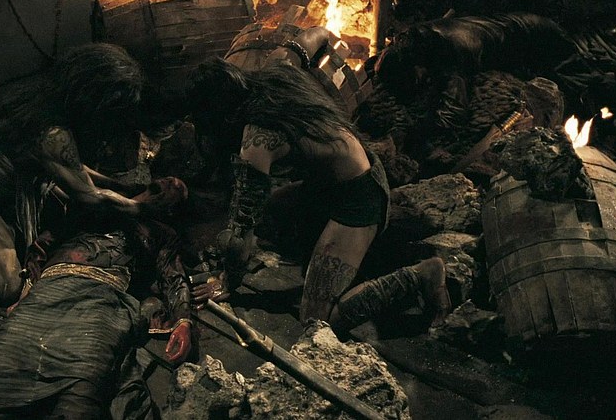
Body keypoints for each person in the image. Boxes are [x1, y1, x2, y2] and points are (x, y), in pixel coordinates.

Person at [185, 57, 451, 334]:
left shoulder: (256, 140)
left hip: (359, 197)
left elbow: (242, 231)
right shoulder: (272, 79)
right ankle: (326, 254)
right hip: (339, 182)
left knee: (317, 320)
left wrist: (228, 281)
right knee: (269, 209)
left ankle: (422, 275)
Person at [0, 43, 174, 306]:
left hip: (1, 184)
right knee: (5, 286)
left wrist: (120, 187)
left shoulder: (48, 102)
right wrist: (142, 207)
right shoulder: (53, 134)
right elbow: (89, 195)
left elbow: (73, 167)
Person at [0, 177, 193, 419]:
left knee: (83, 378)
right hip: (50, 289)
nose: (172, 181)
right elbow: (43, 244)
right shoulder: (96, 205)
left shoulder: (161, 232)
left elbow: (173, 276)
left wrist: (183, 321)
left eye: (177, 188)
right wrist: (27, 290)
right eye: (169, 179)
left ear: (172, 209)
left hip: (102, 298)